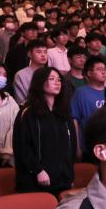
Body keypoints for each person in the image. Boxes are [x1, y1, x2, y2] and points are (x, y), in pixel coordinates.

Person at [13, 67, 76, 195]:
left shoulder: (63, 112)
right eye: (52, 79)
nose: (57, 82)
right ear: (40, 82)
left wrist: (69, 173)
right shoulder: (28, 113)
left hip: (62, 180)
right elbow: (22, 146)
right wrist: (37, 170)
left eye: (59, 80)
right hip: (37, 180)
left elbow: (71, 145)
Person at [71, 56, 106, 157]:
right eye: (99, 69)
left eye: (105, 69)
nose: (104, 72)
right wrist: (77, 147)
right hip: (88, 145)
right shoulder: (80, 93)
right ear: (89, 73)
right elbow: (74, 121)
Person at [13, 39, 48, 104]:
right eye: (39, 52)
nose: (43, 55)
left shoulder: (51, 73)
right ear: (29, 54)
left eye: (45, 52)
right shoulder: (21, 75)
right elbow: (21, 101)